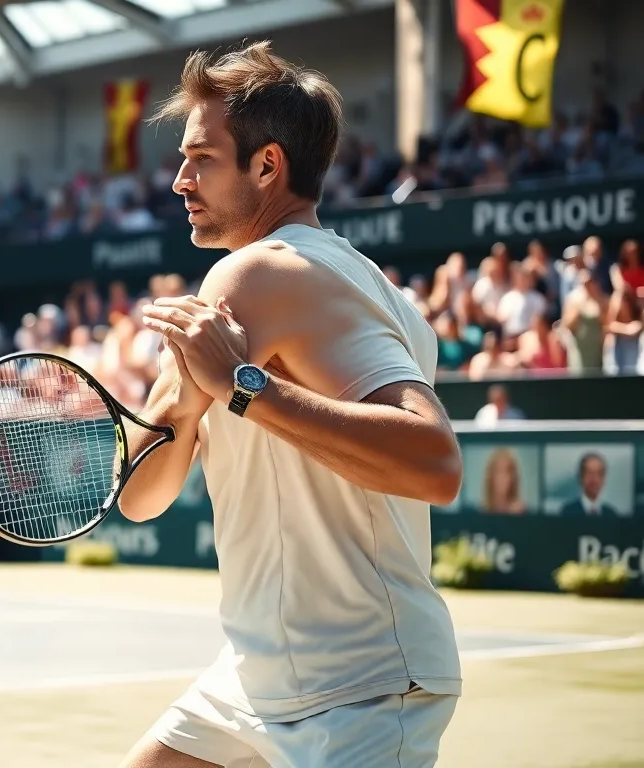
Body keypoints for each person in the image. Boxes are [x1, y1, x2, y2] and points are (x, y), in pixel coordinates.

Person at [118, 42, 464, 767]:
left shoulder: (254, 275)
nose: (180, 180)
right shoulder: (377, 291)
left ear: (267, 165)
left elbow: (435, 463)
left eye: (202, 158)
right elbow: (140, 499)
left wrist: (244, 387)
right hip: (255, 677)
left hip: (359, 686)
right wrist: (187, 403)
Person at [558, 452, 621, 517]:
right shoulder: (567, 512)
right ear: (581, 478)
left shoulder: (611, 514)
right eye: (590, 473)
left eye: (599, 474)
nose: (594, 479)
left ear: (604, 480)